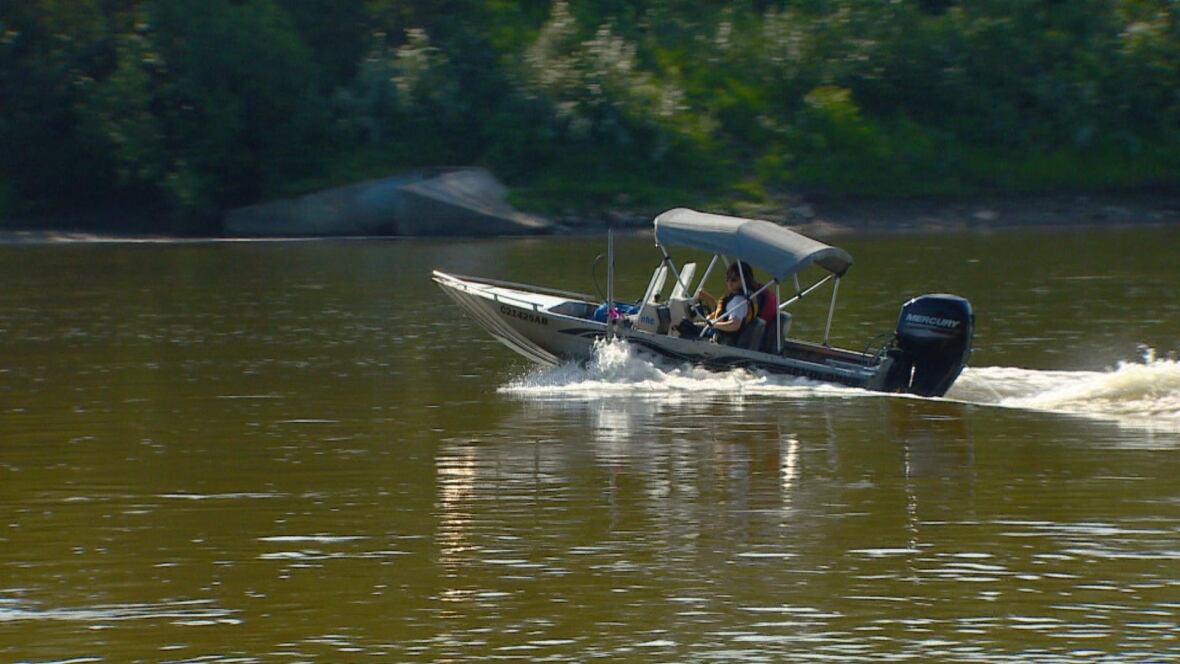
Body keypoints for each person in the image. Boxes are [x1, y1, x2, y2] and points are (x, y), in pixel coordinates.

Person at [696, 261, 759, 345]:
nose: (729, 283)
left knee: (684, 326)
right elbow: (723, 313)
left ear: (744, 280)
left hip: (723, 340)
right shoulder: (745, 298)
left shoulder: (739, 301)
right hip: (722, 334)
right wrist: (709, 300)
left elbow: (734, 325)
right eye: (727, 279)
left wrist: (713, 324)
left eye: (733, 280)